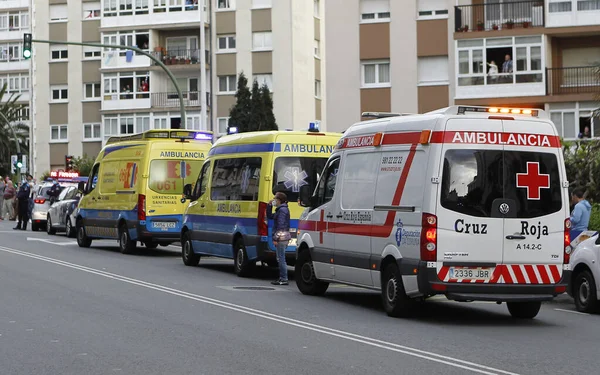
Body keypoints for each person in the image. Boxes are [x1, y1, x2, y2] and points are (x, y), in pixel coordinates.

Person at [267, 192, 291, 285]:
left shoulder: (282, 210)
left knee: (281, 258)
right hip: (282, 237)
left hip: (281, 238)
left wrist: (276, 238)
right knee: (280, 258)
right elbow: (270, 216)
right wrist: (269, 206)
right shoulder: (280, 210)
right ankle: (282, 278)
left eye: (275, 199)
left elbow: (281, 226)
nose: (274, 201)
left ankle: (284, 279)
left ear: (279, 200)